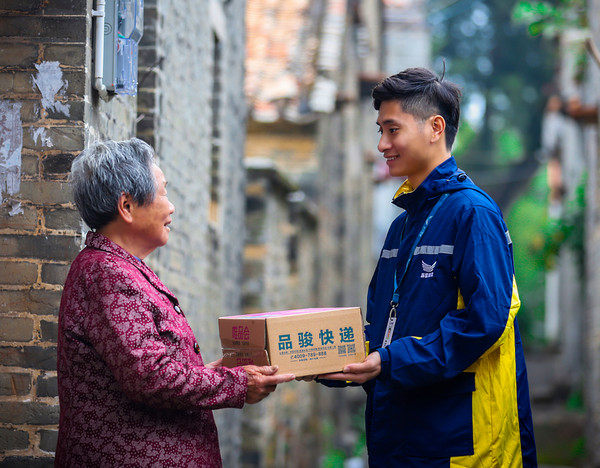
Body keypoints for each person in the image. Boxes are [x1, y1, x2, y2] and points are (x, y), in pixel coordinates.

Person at [318, 68, 537, 466]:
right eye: (379, 130)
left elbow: (485, 321)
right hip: (398, 428)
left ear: (435, 127)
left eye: (392, 129)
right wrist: (341, 358)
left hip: (459, 440)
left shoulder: (472, 213)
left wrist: (388, 361)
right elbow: (392, 325)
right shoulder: (403, 224)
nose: (382, 144)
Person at [55, 138, 295, 467]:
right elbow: (149, 378)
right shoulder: (107, 274)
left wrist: (211, 374)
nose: (171, 207)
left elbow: (150, 368)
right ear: (126, 206)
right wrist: (237, 384)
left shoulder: (122, 269)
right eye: (163, 192)